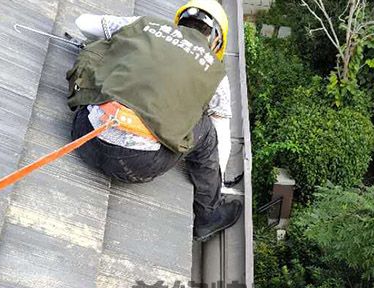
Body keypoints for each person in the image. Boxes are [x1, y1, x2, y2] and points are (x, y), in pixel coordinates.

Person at [67, 0, 243, 242]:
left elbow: (83, 23)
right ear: (215, 41)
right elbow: (221, 132)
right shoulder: (215, 73)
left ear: (179, 20)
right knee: (207, 132)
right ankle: (207, 215)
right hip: (135, 165)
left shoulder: (145, 25)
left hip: (84, 136)